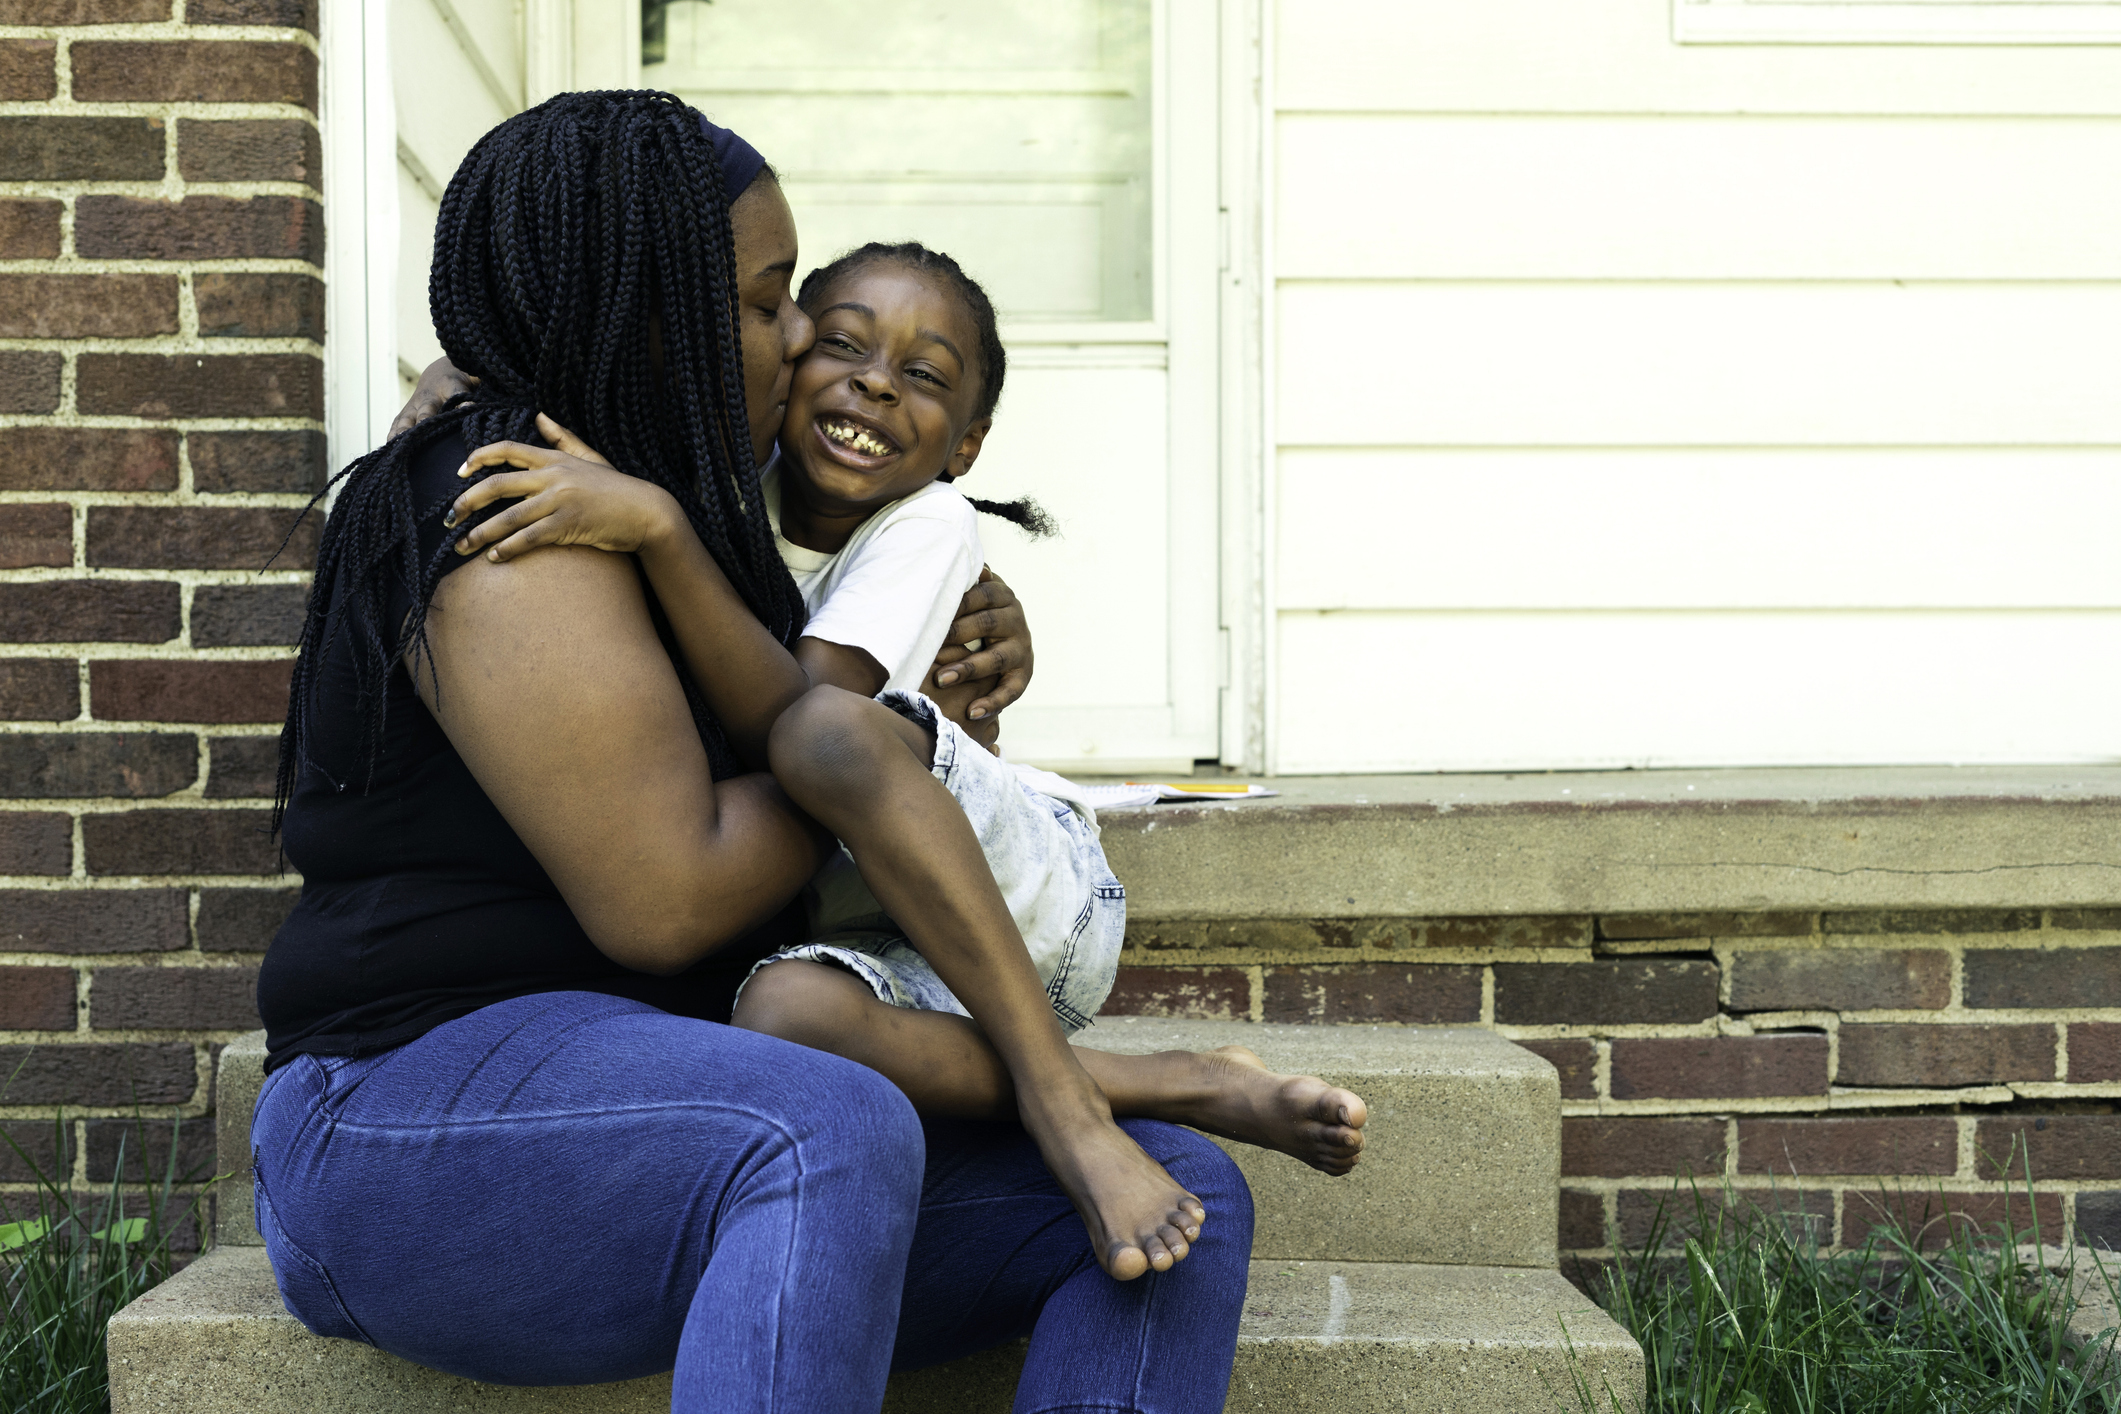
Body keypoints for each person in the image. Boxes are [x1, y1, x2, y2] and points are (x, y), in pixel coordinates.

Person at [252, 91, 1250, 1414]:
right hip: (406, 1116)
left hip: (674, 1101)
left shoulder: (681, 512)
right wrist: (899, 751)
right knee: (816, 1123)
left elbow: (792, 695)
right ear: (645, 309)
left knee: (1186, 1191)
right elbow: (668, 896)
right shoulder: (508, 510)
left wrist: (916, 690)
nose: (797, 342)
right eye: (767, 300)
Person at [441, 241, 1371, 1215]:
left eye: (922, 375)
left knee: (825, 735)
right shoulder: (734, 482)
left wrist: (658, 531)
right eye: (842, 345)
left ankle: (1066, 1107)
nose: (876, 384)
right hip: (873, 922)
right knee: (781, 1016)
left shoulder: (930, 524)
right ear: (787, 355)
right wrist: (457, 376)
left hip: (1019, 896)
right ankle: (1187, 1078)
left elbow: (795, 714)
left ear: (966, 446)